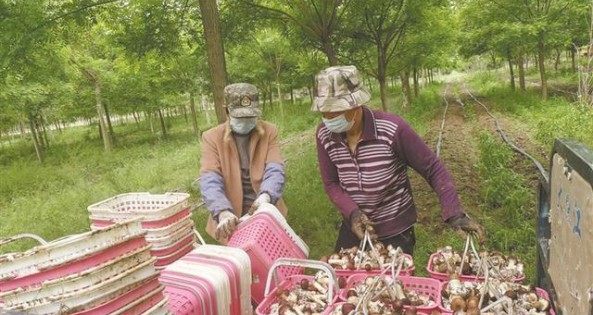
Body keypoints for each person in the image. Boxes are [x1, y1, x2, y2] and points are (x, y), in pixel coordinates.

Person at [311, 65, 486, 255]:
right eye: (324, 112)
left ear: (355, 105)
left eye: (335, 111)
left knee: (394, 280)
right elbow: (331, 183)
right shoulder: (325, 135)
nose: (328, 118)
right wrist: (352, 212)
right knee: (345, 276)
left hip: (395, 230)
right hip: (353, 226)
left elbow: (432, 168)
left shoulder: (391, 129)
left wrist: (454, 213)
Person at [200, 83, 287, 244]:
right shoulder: (211, 137)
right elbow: (210, 179)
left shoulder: (269, 131)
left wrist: (266, 196)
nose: (246, 121)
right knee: (239, 264)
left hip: (265, 211)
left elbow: (275, 169)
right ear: (227, 110)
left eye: (250, 117)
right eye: (241, 118)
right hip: (231, 217)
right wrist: (222, 211)